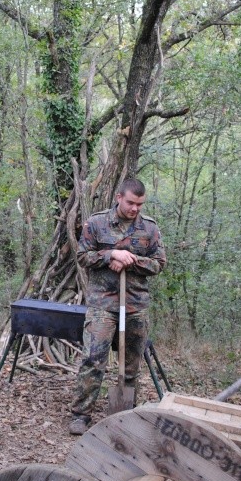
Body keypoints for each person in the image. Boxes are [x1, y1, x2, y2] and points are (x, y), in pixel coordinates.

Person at [68, 178, 167, 435]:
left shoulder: (149, 228)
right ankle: (81, 414)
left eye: (140, 204)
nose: (135, 209)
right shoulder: (97, 223)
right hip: (103, 303)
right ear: (119, 197)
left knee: (131, 364)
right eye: (131, 203)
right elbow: (82, 256)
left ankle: (125, 413)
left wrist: (130, 261)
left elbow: (159, 263)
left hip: (135, 305)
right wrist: (110, 255)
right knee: (93, 358)